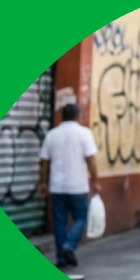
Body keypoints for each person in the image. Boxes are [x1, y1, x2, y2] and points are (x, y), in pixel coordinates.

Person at [36, 103, 101, 269]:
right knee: (81, 217)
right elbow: (91, 160)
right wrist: (95, 181)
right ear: (78, 116)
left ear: (61, 116)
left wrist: (42, 182)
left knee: (59, 222)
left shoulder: (52, 134)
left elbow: (44, 162)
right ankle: (69, 246)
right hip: (78, 186)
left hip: (57, 186)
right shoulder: (84, 133)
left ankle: (61, 259)